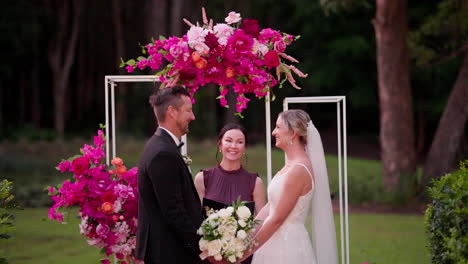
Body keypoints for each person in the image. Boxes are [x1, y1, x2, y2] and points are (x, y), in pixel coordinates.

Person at [238, 109, 338, 264]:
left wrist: (244, 254)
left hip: (286, 248)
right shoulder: (290, 166)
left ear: (293, 133)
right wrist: (244, 235)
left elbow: (277, 219)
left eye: (278, 127)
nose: (273, 132)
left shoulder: (298, 170)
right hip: (272, 241)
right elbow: (271, 206)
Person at [136, 86, 204, 264]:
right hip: (167, 253)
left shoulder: (160, 145)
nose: (193, 116)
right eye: (188, 110)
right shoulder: (162, 153)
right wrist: (203, 247)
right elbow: (174, 211)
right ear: (172, 112)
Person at [194, 123, 266, 264]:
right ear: (220, 144)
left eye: (239, 142)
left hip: (243, 258)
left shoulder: (255, 182)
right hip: (210, 258)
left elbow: (261, 225)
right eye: (229, 140)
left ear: (244, 148)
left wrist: (241, 254)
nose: (233, 146)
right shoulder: (202, 178)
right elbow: (195, 221)